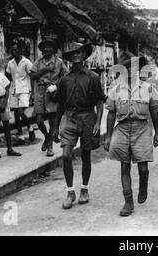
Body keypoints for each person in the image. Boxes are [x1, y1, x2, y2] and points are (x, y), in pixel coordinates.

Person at [105, 52, 158, 216]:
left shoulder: (147, 87)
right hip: (122, 128)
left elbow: (154, 110)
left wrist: (157, 133)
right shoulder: (115, 88)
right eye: (127, 66)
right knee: (124, 166)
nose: (130, 70)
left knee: (143, 167)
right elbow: (110, 113)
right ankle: (128, 202)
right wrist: (108, 136)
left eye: (133, 66)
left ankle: (143, 186)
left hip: (141, 128)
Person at [53, 41, 104, 210]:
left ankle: (84, 189)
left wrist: (98, 122)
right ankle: (70, 191)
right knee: (66, 155)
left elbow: (99, 101)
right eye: (72, 53)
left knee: (86, 155)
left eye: (79, 52)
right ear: (69, 57)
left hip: (88, 116)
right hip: (69, 117)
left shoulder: (93, 77)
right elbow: (60, 105)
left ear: (84, 55)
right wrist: (55, 128)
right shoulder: (64, 80)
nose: (76, 55)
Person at [30, 39, 68, 156]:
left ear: (54, 50)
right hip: (40, 92)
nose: (47, 49)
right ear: (42, 49)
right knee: (39, 121)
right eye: (45, 47)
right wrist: (45, 70)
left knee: (52, 121)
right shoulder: (38, 62)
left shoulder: (59, 62)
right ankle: (47, 137)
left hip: (53, 93)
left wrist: (56, 86)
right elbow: (32, 76)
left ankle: (50, 146)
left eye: (50, 47)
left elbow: (66, 77)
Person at [6, 42, 35, 144]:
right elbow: (8, 78)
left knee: (21, 112)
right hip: (14, 91)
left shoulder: (26, 62)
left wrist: (33, 92)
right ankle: (21, 136)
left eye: (16, 50)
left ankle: (30, 127)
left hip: (24, 90)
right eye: (12, 50)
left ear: (20, 50)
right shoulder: (10, 63)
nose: (14, 52)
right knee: (16, 115)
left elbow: (32, 77)